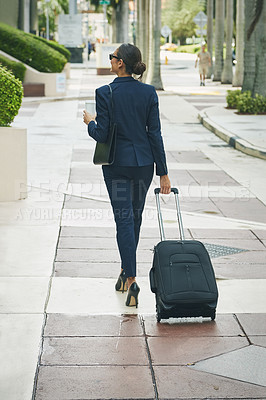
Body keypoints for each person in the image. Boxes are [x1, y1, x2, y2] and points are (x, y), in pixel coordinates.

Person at [83, 43, 171, 308]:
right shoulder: (148, 92)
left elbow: (102, 134)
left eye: (113, 57)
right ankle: (125, 271)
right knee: (134, 218)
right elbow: (155, 133)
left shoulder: (104, 92)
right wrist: (163, 173)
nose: (110, 60)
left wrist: (90, 123)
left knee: (123, 220)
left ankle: (131, 280)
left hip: (117, 166)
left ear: (121, 63)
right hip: (144, 165)